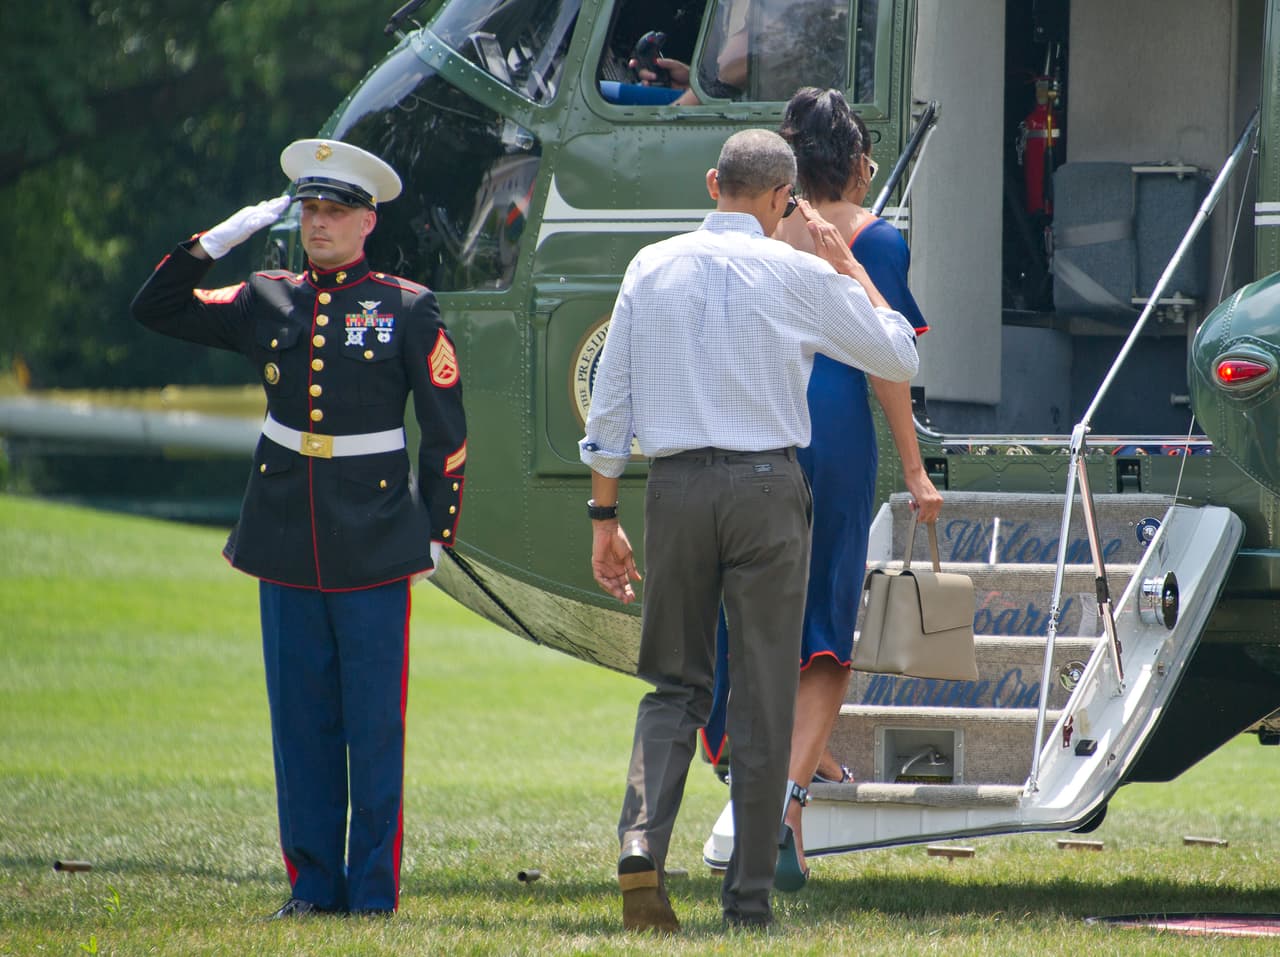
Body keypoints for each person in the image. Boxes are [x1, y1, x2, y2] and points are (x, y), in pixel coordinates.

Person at [581, 128, 919, 931]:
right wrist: (848, 264)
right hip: (768, 486)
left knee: (675, 683)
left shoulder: (648, 266)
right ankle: (748, 898)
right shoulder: (800, 271)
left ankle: (642, 843)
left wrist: (603, 515)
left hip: (674, 488)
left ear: (712, 184)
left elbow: (610, 403)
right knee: (764, 693)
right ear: (782, 199)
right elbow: (898, 355)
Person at [130, 139, 467, 918]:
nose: (319, 225)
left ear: (366, 221)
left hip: (378, 533)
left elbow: (446, 429)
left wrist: (436, 533)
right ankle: (312, 885)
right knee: (300, 723)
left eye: (334, 211)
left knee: (373, 725)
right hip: (286, 529)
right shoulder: (265, 297)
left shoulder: (406, 306)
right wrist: (220, 239)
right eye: (310, 210)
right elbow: (155, 308)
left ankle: (373, 892)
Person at [702, 87, 942, 889]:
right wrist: (912, 469)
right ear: (859, 162)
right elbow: (890, 363)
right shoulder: (877, 240)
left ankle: (757, 790)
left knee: (758, 611)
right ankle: (789, 808)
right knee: (828, 622)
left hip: (761, 426)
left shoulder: (769, 231)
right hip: (836, 434)